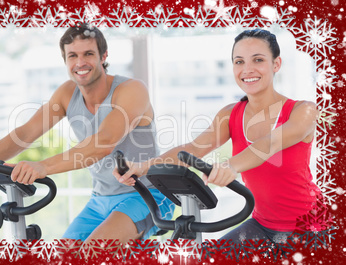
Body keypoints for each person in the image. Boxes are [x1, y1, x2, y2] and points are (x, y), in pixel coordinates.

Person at [0, 23, 174, 245]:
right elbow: (26, 132)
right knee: (63, 257)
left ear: (103, 55)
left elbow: (103, 143)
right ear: (65, 60)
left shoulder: (132, 90)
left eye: (88, 54)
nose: (80, 63)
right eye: (72, 56)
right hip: (100, 199)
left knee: (92, 252)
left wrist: (43, 166)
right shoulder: (67, 94)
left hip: (148, 195)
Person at [114, 29, 322, 244]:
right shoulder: (230, 115)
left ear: (276, 64)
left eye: (258, 60)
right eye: (239, 61)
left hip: (309, 228)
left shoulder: (303, 111)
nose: (247, 69)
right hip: (262, 225)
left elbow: (269, 143)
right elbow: (194, 149)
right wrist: (142, 167)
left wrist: (230, 166)